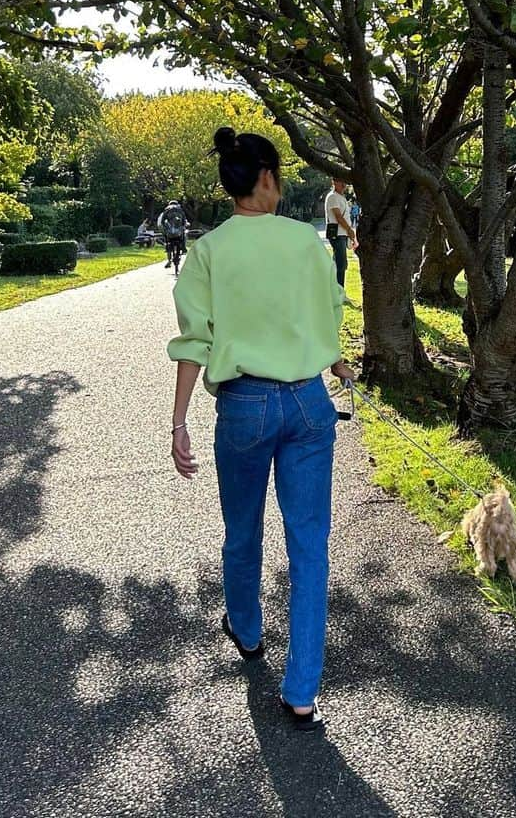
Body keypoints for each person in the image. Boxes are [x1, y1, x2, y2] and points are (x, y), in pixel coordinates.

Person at [168, 128, 353, 732]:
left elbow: (194, 341)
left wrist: (179, 422)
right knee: (309, 545)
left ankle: (247, 632)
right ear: (267, 178)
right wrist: (338, 361)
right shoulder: (306, 241)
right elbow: (328, 309)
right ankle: (302, 691)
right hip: (307, 404)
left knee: (241, 529)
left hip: (243, 406)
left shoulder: (208, 251)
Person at [323, 178, 357, 289]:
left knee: (337, 263)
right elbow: (338, 216)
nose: (344, 184)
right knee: (341, 264)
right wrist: (349, 229)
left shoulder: (341, 197)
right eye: (340, 182)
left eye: (345, 182)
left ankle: (334, 289)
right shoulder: (333, 196)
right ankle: (339, 291)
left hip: (342, 233)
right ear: (334, 182)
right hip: (337, 233)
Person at [158, 200, 187, 269]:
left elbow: (162, 221)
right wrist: (183, 226)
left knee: (167, 241)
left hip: (169, 233)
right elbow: (184, 220)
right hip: (179, 232)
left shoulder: (167, 209)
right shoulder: (180, 209)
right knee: (184, 234)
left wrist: (165, 228)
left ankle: (168, 258)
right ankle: (183, 248)